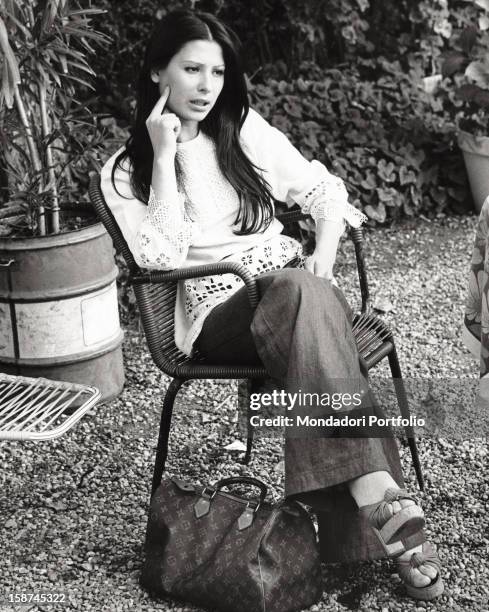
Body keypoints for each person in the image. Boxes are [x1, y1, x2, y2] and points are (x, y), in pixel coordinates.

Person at [101, 9, 443, 601]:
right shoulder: (123, 170)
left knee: (304, 293)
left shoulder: (242, 128)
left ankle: (372, 505)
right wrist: (163, 156)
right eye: (191, 69)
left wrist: (325, 255)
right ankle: (379, 494)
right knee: (300, 295)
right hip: (222, 311)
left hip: (297, 296)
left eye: (216, 71)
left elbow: (321, 188)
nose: (207, 86)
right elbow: (157, 257)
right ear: (159, 72)